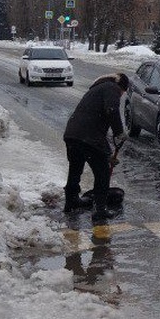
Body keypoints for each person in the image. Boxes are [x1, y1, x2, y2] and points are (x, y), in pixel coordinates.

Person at [63, 72, 129, 223]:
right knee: (102, 173)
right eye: (123, 92)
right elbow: (111, 109)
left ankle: (71, 201)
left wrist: (108, 153)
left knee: (75, 168)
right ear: (121, 87)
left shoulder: (96, 89)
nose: (121, 95)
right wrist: (119, 132)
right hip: (89, 136)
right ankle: (100, 210)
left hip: (72, 134)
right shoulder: (112, 87)